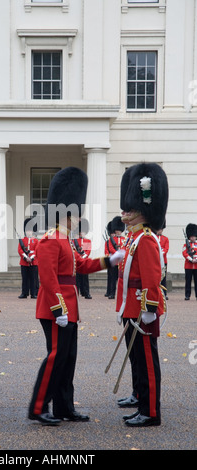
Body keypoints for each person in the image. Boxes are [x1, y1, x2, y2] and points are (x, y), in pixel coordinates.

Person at [28, 167, 124, 426]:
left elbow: (80, 266)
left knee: (68, 359)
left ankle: (63, 407)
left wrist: (108, 261)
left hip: (68, 308)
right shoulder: (49, 240)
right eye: (77, 215)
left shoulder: (66, 239)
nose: (79, 219)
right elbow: (48, 280)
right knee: (55, 357)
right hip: (55, 308)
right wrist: (59, 310)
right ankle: (38, 407)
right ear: (67, 214)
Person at [115, 162, 168, 427]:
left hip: (142, 311)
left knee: (147, 362)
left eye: (132, 208)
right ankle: (143, 403)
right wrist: (123, 307)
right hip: (132, 309)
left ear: (142, 212)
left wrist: (148, 309)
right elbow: (125, 280)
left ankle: (151, 412)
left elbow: (150, 278)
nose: (126, 212)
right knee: (137, 358)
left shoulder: (146, 239)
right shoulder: (134, 238)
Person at [104, 216, 125, 299]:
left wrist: (121, 252)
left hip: (122, 262)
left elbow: (125, 247)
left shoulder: (124, 239)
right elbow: (111, 248)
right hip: (115, 261)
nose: (118, 232)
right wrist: (117, 253)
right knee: (113, 279)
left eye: (119, 230)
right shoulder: (111, 240)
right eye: (117, 230)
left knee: (122, 279)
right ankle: (112, 293)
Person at [18, 218, 39, 299]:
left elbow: (37, 250)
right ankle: (24, 293)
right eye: (27, 231)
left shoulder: (36, 241)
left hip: (33, 262)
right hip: (24, 262)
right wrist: (26, 257)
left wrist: (31, 257)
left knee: (33, 278)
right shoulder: (22, 240)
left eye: (30, 230)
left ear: (33, 231)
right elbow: (20, 250)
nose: (28, 232)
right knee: (25, 278)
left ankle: (34, 293)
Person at [73, 218, 92, 299]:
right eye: (81, 232)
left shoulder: (88, 241)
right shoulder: (74, 240)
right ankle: (76, 293)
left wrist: (83, 256)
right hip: (77, 261)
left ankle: (86, 293)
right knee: (76, 279)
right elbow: (73, 249)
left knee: (85, 279)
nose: (82, 233)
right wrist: (78, 257)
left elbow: (88, 251)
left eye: (83, 232)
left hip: (84, 261)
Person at [182, 223, 197, 300]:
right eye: (191, 236)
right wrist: (191, 259)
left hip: (196, 266)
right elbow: (184, 253)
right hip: (188, 266)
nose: (193, 238)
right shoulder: (186, 245)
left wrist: (196, 259)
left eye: (194, 236)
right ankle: (187, 295)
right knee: (188, 281)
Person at [157, 224, 169, 299]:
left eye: (161, 229)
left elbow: (166, 248)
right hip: (155, 260)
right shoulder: (153, 237)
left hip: (163, 260)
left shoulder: (165, 239)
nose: (159, 231)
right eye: (159, 229)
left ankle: (164, 293)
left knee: (163, 278)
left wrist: (160, 254)